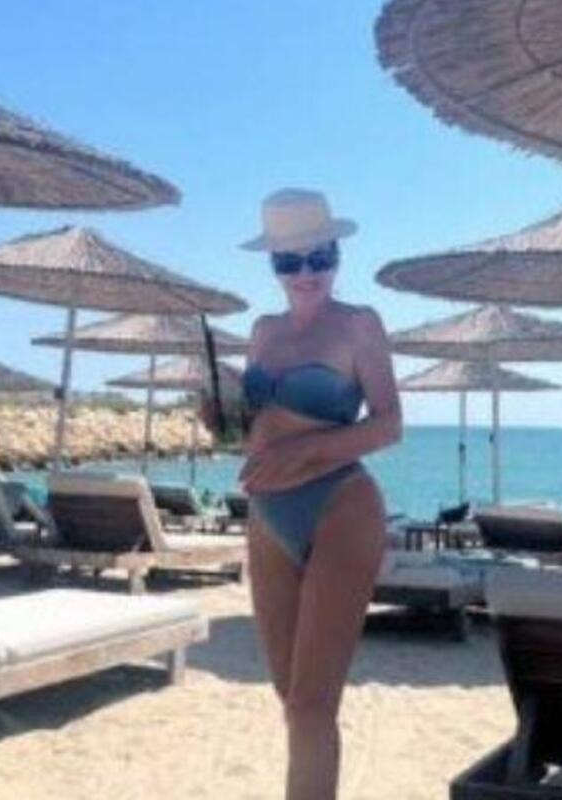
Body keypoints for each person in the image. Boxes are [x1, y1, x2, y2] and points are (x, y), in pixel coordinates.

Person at [205, 188, 401, 800]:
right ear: (273, 265)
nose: (306, 273)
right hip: (268, 516)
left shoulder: (359, 324)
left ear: (337, 254)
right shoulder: (262, 332)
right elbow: (250, 434)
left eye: (320, 257)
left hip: (341, 505)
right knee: (291, 699)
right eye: (289, 261)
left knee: (314, 704)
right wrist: (219, 417)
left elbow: (389, 424)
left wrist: (305, 452)